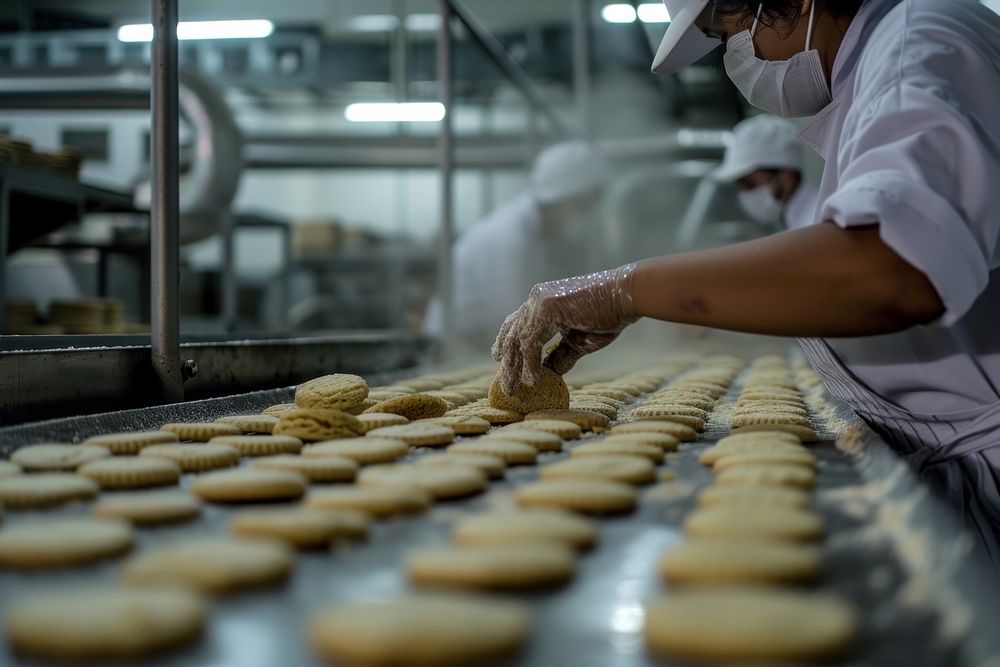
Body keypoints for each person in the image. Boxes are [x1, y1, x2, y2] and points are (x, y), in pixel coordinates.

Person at [492, 0, 1000, 567]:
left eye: (730, 28)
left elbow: (888, 271)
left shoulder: (916, 46)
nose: (740, 57)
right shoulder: (883, 64)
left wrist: (627, 289)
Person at [424, 141, 609, 340]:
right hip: (453, 343)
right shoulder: (509, 237)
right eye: (582, 208)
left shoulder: (532, 233)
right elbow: (515, 318)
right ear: (562, 198)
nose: (584, 219)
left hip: (484, 337)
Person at [715, 115, 818, 230]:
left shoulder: (816, 221)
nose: (744, 194)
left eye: (749, 183)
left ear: (787, 176)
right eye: (738, 185)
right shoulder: (793, 219)